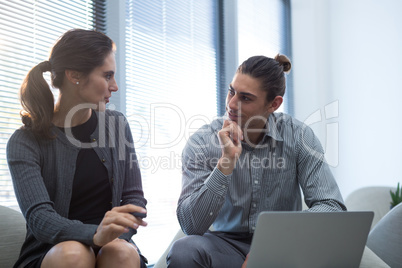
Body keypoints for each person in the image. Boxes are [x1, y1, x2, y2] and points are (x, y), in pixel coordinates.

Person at [166, 54, 346, 267]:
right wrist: (225, 164)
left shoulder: (298, 136)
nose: (231, 104)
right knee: (184, 251)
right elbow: (191, 226)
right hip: (224, 245)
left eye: (246, 98)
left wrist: (276, 244)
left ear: (274, 104)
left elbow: (331, 206)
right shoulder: (202, 142)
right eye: (231, 92)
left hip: (285, 246)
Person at [7, 29, 148, 268]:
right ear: (75, 75)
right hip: (50, 253)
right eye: (107, 75)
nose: (114, 86)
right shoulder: (24, 142)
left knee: (119, 253)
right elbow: (40, 219)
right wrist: (94, 235)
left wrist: (114, 236)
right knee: (74, 254)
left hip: (112, 246)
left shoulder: (116, 125)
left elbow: (134, 199)